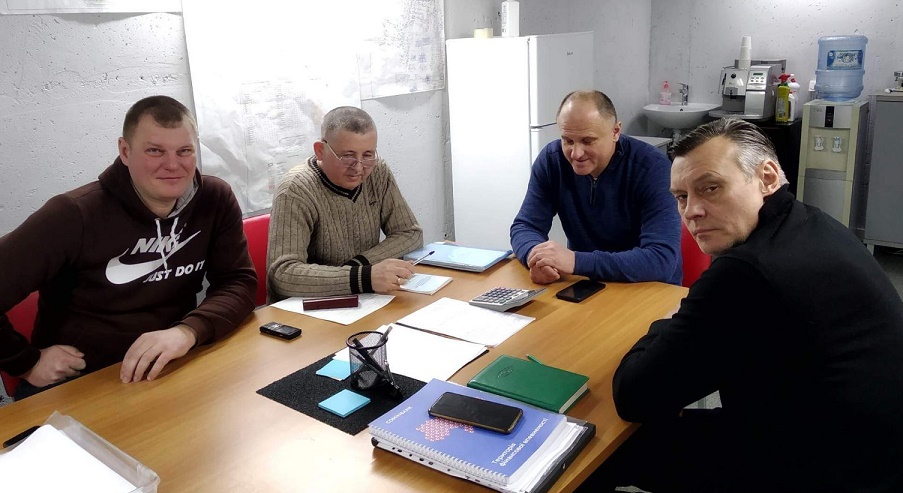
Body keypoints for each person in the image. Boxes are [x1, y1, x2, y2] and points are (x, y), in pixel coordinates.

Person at [583, 118, 903, 492]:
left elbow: (634, 396)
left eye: (711, 188)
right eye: (682, 197)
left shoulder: (746, 271)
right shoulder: (811, 223)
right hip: (869, 446)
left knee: (602, 451)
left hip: (828, 468)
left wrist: (666, 322)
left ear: (767, 177)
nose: (691, 211)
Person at [0, 95, 257, 399]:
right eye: (155, 151)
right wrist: (26, 362)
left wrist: (187, 331)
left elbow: (238, 282)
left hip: (170, 364)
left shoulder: (214, 199)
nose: (172, 165)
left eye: (184, 151)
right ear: (125, 151)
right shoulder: (74, 214)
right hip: (85, 380)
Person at [510, 90, 682, 285]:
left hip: (649, 287)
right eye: (567, 140)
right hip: (585, 283)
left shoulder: (653, 169)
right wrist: (536, 257)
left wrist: (576, 261)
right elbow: (525, 226)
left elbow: (661, 260)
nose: (576, 153)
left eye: (587, 141)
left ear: (615, 132)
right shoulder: (551, 161)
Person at [267, 106, 423, 299]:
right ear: (320, 151)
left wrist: (361, 264)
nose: (358, 167)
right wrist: (362, 277)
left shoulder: (378, 171)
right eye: (347, 156)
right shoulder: (295, 190)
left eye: (368, 155)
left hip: (364, 297)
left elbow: (410, 233)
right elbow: (282, 274)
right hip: (308, 305)